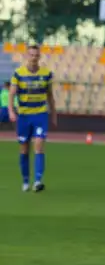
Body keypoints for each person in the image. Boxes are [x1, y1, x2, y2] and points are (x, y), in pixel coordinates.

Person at [7, 45, 57, 192]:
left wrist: (54, 114)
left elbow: (50, 96)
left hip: (40, 114)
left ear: (39, 57)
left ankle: (38, 181)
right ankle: (25, 180)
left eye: (36, 55)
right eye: (31, 55)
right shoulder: (18, 74)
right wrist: (11, 111)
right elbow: (11, 94)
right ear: (26, 56)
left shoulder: (46, 74)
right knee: (24, 149)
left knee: (39, 145)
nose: (34, 58)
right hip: (23, 115)